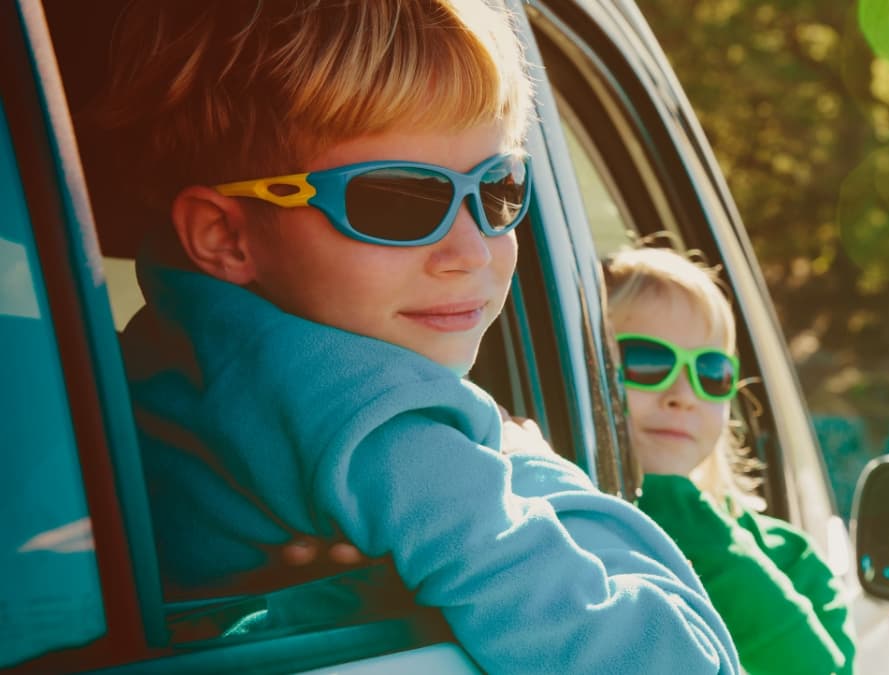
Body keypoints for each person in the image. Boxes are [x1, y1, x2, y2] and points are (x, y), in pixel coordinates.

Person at [87, 2, 740, 672]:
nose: (471, 250)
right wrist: (529, 461)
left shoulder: (122, 369)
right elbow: (678, 658)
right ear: (224, 235)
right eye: (395, 200)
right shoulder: (385, 424)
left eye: (498, 189)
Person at [602, 246, 856, 675]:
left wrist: (671, 503)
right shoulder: (553, 518)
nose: (683, 394)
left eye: (710, 372)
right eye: (646, 361)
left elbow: (815, 669)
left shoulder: (791, 560)